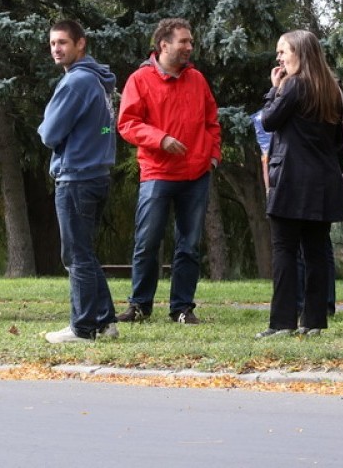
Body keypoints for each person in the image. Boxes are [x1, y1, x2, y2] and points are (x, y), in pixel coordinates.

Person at [117, 18, 221, 324]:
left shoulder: (198, 80)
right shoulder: (139, 80)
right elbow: (127, 124)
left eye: (190, 42)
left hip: (196, 175)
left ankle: (182, 308)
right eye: (184, 42)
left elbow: (212, 122)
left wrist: (212, 156)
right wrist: (160, 139)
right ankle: (139, 306)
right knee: (147, 242)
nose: (190, 47)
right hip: (157, 173)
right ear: (164, 45)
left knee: (189, 244)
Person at [255, 30, 343, 338]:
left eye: (284, 51)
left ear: (301, 53)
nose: (279, 58)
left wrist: (274, 90)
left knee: (284, 250)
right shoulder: (333, 89)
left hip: (292, 181)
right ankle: (314, 322)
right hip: (324, 182)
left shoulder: (293, 85)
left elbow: (268, 121)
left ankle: (282, 322)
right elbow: (337, 143)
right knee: (316, 252)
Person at [38, 20, 118, 343]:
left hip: (76, 178)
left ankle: (82, 328)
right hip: (96, 175)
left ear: (80, 44)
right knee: (85, 252)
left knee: (76, 256)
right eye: (53, 44)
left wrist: (47, 125)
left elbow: (48, 133)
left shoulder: (76, 82)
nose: (56, 49)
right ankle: (105, 321)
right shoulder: (98, 81)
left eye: (63, 43)